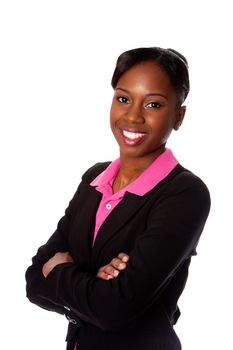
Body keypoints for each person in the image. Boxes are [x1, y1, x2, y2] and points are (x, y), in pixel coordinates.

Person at [25, 47, 211, 350]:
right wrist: (92, 286)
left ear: (178, 116)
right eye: (123, 99)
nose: (133, 116)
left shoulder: (185, 193)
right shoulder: (94, 179)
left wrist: (60, 271)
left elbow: (114, 310)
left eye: (153, 104)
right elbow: (34, 280)